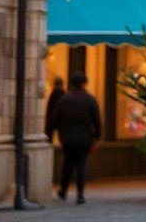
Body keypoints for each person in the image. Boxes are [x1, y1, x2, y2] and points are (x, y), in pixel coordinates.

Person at [49, 71, 101, 204]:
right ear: (84, 83)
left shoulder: (64, 100)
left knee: (67, 164)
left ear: (71, 83)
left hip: (67, 138)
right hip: (84, 138)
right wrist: (96, 137)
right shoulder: (90, 99)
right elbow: (97, 121)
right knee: (81, 164)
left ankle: (63, 191)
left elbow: (55, 119)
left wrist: (54, 133)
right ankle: (80, 194)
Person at [44, 77, 65, 141]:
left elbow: (50, 107)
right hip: (60, 118)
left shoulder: (54, 93)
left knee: (49, 134)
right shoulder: (62, 93)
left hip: (52, 117)